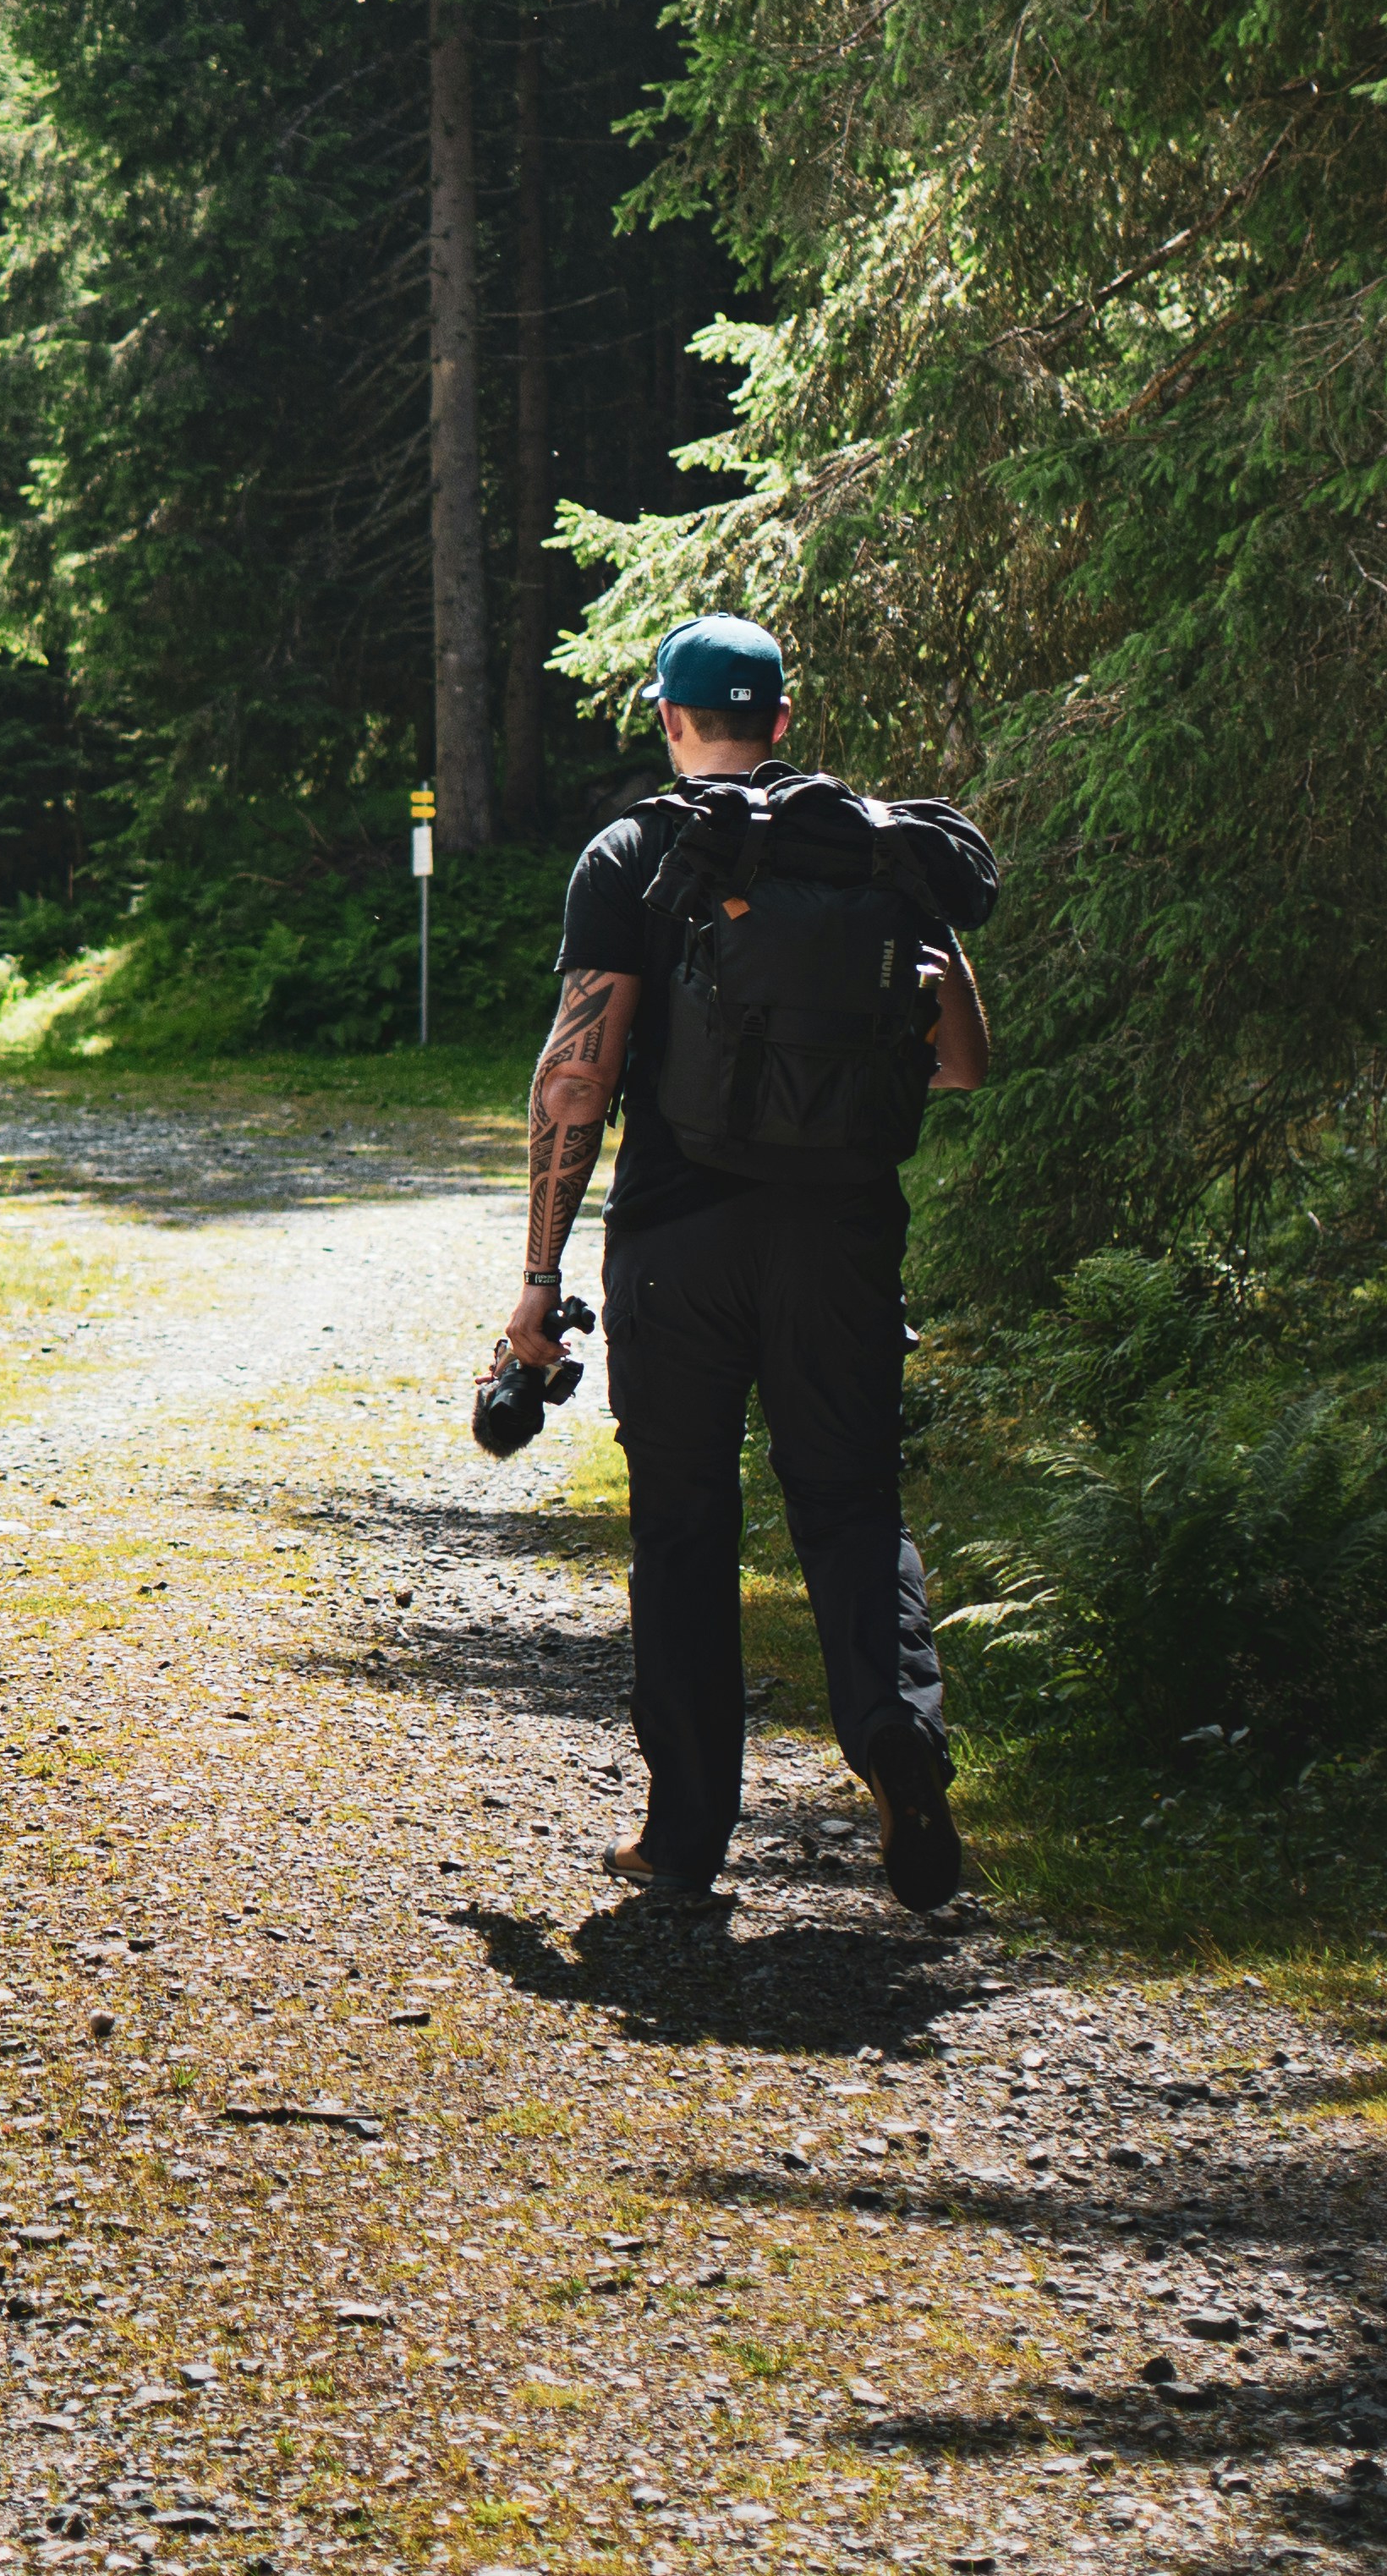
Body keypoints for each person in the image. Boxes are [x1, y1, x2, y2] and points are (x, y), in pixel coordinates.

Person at [501, 612, 991, 1913]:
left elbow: (578, 1076)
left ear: (669, 721)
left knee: (682, 1528)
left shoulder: (633, 851)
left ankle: (683, 1837)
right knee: (849, 1507)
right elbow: (959, 1062)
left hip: (679, 1245)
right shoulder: (874, 851)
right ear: (781, 721)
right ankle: (896, 1734)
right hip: (841, 1242)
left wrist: (539, 1283)